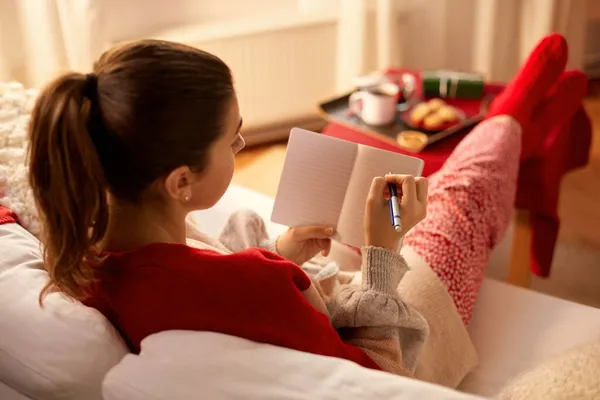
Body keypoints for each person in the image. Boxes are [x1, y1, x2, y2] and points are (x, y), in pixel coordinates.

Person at [1, 33, 586, 383]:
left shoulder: (84, 249)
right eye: (233, 140)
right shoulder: (250, 285)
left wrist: (278, 254)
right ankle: (511, 118)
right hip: (406, 345)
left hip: (295, 296)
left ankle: (515, 125)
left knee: (445, 190)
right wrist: (382, 250)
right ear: (180, 180)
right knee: (458, 203)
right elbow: (374, 372)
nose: (238, 149)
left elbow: (208, 286)